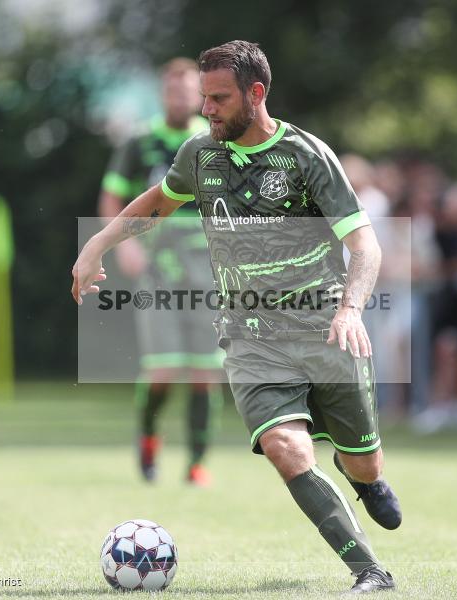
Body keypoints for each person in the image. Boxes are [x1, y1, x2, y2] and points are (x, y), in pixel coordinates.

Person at [74, 40, 400, 594]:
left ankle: (362, 478)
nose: (207, 109)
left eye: (219, 98)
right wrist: (97, 245)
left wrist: (350, 309)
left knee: (364, 463)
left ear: (256, 93)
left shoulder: (307, 156)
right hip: (251, 336)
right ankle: (370, 571)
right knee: (285, 447)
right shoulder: (200, 155)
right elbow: (156, 202)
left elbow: (366, 247)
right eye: (204, 98)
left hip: (324, 327)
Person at [98, 58, 223, 487]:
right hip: (159, 270)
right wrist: (125, 244)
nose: (182, 98)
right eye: (174, 91)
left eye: (190, 92)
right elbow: (110, 200)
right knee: (164, 370)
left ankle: (198, 463)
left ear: (201, 97)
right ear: (163, 95)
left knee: (207, 372)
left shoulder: (213, 140)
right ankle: (149, 440)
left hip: (207, 272)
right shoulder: (140, 141)